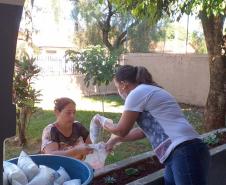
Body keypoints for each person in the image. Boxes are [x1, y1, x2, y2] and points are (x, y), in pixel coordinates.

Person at [103, 65, 210, 185]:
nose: (119, 91)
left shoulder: (137, 93)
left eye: (117, 87)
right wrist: (115, 139)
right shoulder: (148, 90)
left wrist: (102, 122)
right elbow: (144, 131)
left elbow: (121, 130)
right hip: (181, 151)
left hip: (183, 149)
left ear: (123, 84)